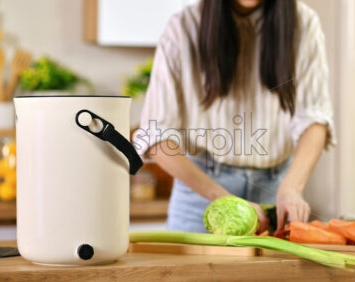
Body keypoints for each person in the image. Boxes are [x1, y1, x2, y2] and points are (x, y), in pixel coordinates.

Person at [133, 0, 335, 235]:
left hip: (276, 189)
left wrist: (292, 187)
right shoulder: (183, 27)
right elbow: (155, 135)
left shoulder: (304, 22)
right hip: (202, 194)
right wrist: (223, 199)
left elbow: (315, 119)